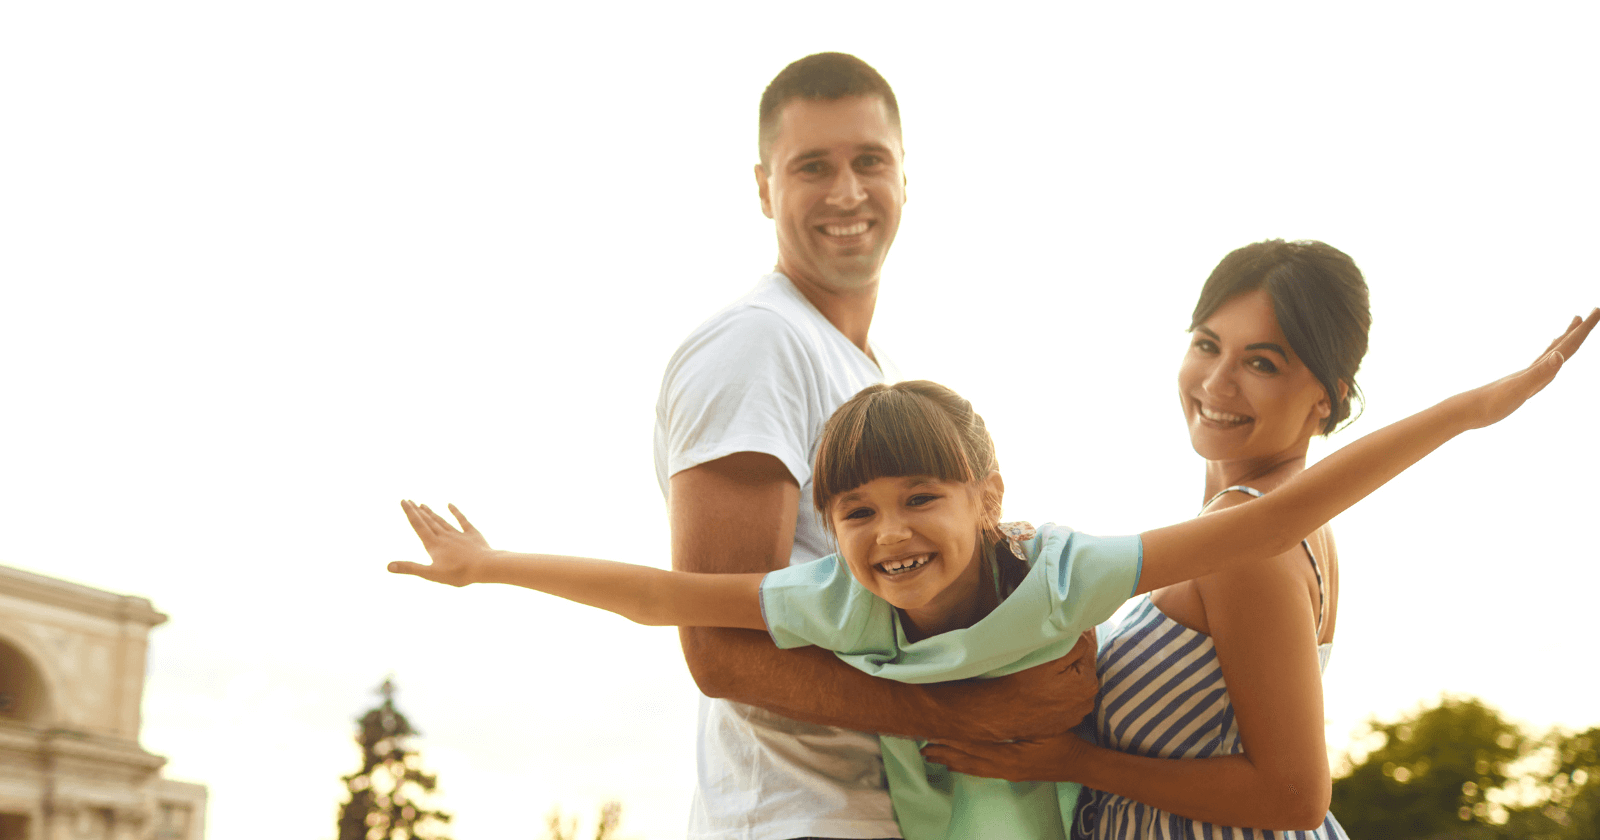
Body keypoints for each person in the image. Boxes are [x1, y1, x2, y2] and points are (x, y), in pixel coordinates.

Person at [390, 304, 1594, 840]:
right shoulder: (837, 595)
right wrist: (493, 566)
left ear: (989, 498)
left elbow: (1261, 523)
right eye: (855, 511)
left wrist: (1474, 411)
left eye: (922, 498)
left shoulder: (1063, 574)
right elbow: (666, 600)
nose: (890, 532)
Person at [916, 241, 1558, 838]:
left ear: (1328, 399)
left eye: (1261, 362)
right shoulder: (1254, 530)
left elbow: (1293, 796)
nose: (1218, 382)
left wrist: (1074, 762)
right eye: (1206, 344)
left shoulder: (1252, 547)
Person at [647, 51, 1097, 840]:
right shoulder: (761, 345)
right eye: (812, 166)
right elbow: (719, 652)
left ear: (904, 177)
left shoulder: (864, 370)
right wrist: (966, 709)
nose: (847, 192)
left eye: (869, 162)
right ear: (764, 188)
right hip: (799, 817)